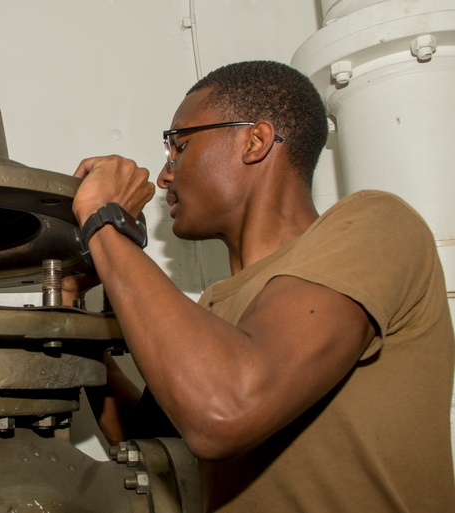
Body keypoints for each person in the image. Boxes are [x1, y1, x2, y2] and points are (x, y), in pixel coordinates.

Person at [70, 60, 455, 511]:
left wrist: (103, 223)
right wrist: (73, 304)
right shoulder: (216, 308)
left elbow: (224, 410)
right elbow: (150, 443)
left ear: (255, 140)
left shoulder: (374, 225)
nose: (164, 174)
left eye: (181, 147)